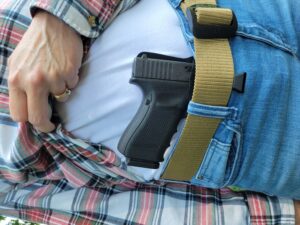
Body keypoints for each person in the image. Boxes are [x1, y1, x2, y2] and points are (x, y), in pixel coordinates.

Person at [1, 0, 299, 224]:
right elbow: (104, 207)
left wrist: (59, 16)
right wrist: (277, 216)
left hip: (246, 11)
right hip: (246, 144)